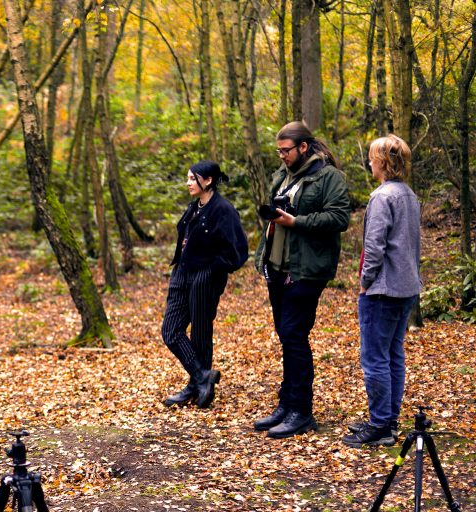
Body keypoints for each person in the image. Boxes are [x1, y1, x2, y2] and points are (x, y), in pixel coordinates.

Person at [252, 121, 350, 439]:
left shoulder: (328, 176)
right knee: (286, 336)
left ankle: (302, 412)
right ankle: (286, 404)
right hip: (278, 266)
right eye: (278, 150)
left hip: (306, 270)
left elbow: (339, 218)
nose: (281, 156)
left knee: (294, 335)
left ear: (303, 147)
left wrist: (297, 221)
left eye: (285, 150)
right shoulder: (283, 176)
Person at [343, 135, 421, 448]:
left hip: (384, 289)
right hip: (406, 287)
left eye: (374, 157)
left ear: (384, 162)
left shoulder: (382, 197)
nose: (370, 162)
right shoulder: (409, 195)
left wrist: (365, 281)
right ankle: (386, 419)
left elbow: (374, 246)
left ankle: (380, 426)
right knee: (392, 355)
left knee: (376, 357)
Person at [161, 161, 249, 408]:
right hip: (182, 273)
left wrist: (211, 270)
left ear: (207, 180)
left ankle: (196, 385)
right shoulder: (194, 207)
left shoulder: (223, 210)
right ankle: (202, 377)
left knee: (201, 333)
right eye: (187, 178)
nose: (188, 182)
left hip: (205, 277)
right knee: (170, 330)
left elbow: (238, 252)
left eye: (192, 178)